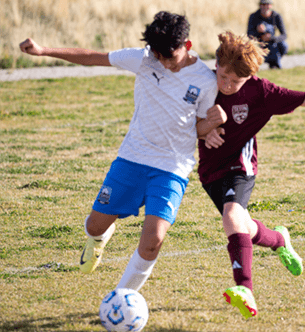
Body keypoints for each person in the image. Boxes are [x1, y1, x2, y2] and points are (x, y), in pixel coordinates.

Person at [19, 11, 226, 292]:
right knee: (94, 226)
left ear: (187, 46)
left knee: (153, 242)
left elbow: (198, 129)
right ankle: (99, 237)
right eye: (159, 56)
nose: (164, 63)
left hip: (171, 168)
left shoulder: (205, 80)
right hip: (132, 158)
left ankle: (121, 297)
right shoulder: (143, 60)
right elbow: (93, 56)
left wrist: (211, 125)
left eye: (170, 57)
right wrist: (44, 50)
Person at [198, 31, 305, 319]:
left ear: (248, 78)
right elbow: (180, 115)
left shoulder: (261, 92)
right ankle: (278, 240)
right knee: (242, 227)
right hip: (209, 170)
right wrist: (202, 129)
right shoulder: (201, 80)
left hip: (239, 166)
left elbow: (303, 98)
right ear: (216, 63)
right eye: (222, 76)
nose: (225, 85)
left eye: (234, 81)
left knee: (232, 216)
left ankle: (245, 289)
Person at [247, 0, 288, 69]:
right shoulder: (254, 16)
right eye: (263, 4)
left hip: (273, 42)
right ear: (260, 5)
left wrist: (272, 38)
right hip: (260, 43)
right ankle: (270, 63)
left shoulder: (276, 16)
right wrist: (259, 34)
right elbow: (249, 34)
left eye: (267, 4)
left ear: (271, 5)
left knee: (283, 45)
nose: (265, 7)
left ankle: (274, 64)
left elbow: (284, 35)